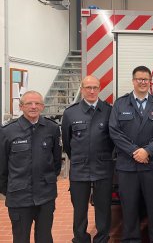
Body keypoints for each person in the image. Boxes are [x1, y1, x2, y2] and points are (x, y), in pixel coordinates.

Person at [109, 65, 153, 242]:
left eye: (146, 79)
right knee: (129, 207)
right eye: (139, 79)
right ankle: (131, 239)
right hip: (127, 166)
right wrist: (135, 151)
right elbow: (114, 131)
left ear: (150, 82)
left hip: (151, 164)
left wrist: (147, 151)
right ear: (133, 81)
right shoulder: (120, 104)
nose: (143, 82)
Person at [0, 90, 62, 243]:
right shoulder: (7, 131)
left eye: (37, 103)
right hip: (19, 197)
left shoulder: (52, 128)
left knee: (45, 238)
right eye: (29, 103)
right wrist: (11, 189)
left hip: (45, 196)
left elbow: (56, 162)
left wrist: (47, 181)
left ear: (42, 106)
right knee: (20, 238)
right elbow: (1, 167)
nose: (33, 107)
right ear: (21, 107)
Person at [61, 75, 114, 243]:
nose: (92, 91)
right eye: (88, 87)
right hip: (79, 168)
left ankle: (102, 238)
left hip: (103, 167)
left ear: (99, 89)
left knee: (103, 208)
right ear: (82, 89)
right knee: (79, 209)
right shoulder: (70, 113)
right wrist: (79, 157)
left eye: (95, 88)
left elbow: (113, 140)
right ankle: (81, 238)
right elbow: (67, 143)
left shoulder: (108, 110)